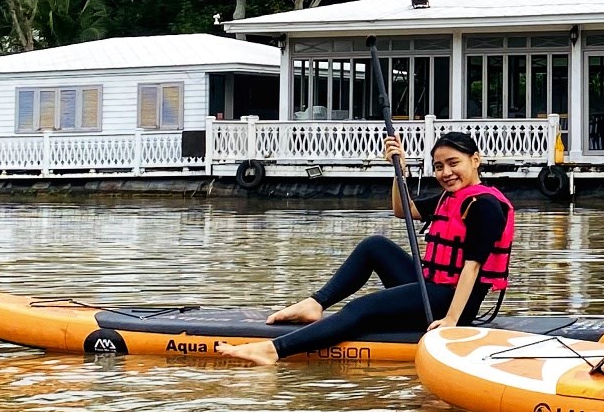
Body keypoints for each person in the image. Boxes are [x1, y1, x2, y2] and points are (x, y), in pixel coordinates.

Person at [215, 131, 514, 367]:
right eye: (438, 166)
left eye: (453, 163)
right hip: (432, 287)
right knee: (375, 246)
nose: (445, 172)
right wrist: (400, 171)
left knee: (360, 309)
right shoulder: (450, 197)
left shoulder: (484, 205)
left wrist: (450, 322)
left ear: (475, 159)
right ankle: (316, 304)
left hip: (452, 302)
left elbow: (472, 268)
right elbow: (403, 210)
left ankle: (273, 351)